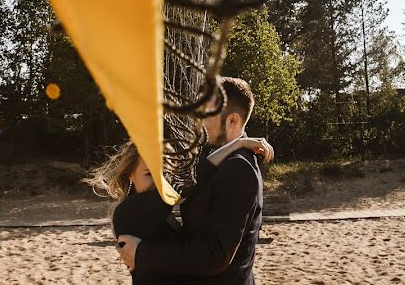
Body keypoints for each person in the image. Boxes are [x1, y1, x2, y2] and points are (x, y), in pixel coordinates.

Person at [118, 77, 264, 285]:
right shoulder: (211, 154)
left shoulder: (239, 168)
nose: (198, 121)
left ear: (232, 120)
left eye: (206, 114)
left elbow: (216, 255)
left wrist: (142, 253)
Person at [90, 120, 271, 284]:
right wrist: (236, 144)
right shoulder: (127, 212)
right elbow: (195, 178)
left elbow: (194, 178)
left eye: (162, 174)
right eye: (148, 174)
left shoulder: (157, 206)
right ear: (130, 174)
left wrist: (236, 144)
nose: (158, 183)